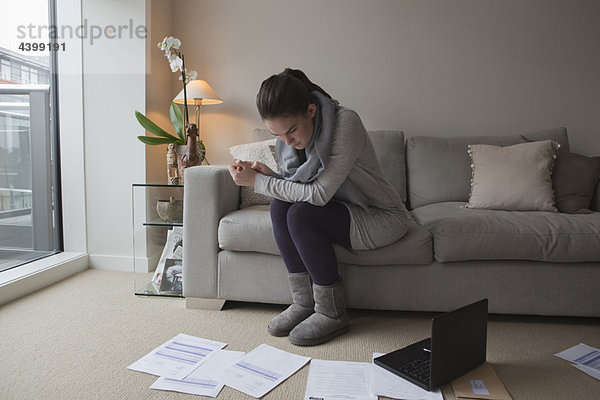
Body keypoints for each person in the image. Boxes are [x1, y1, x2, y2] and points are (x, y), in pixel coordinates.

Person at [228, 68, 409, 346]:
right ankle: (304, 303)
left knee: (301, 214)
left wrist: (258, 183)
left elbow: (320, 193)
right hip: (342, 210)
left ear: (311, 110)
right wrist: (269, 177)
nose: (287, 142)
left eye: (291, 131)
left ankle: (332, 312)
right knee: (280, 206)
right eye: (279, 136)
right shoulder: (294, 137)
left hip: (379, 217)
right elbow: (300, 189)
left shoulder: (345, 123)